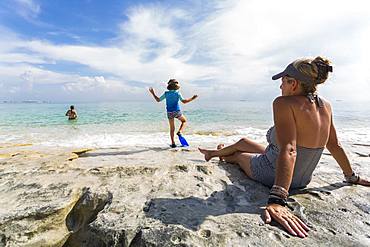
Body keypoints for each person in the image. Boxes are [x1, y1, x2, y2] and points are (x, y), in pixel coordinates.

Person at [198, 57, 370, 238]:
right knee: (244, 141)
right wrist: (351, 177)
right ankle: (215, 152)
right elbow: (334, 145)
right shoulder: (325, 105)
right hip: (302, 179)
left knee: (241, 155)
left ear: (293, 83)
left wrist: (278, 199)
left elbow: (289, 149)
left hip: (274, 174)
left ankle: (225, 156)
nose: (280, 87)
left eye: (282, 83)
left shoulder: (283, 103)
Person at [149, 79, 198, 148]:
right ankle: (180, 131)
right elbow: (184, 101)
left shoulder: (166, 93)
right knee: (184, 121)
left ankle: (173, 143)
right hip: (177, 111)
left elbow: (158, 100)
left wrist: (153, 93)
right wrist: (192, 98)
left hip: (169, 112)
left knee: (172, 129)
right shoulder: (177, 93)